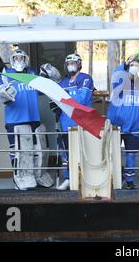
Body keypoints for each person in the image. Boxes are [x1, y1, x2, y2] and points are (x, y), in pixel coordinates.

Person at [0, 49, 43, 191]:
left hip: (33, 117)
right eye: (16, 58)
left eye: (21, 57)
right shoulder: (6, 74)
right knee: (17, 150)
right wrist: (4, 92)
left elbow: (42, 90)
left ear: (26, 59)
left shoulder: (32, 73)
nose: (19, 60)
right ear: (12, 59)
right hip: (15, 119)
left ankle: (32, 178)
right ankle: (17, 179)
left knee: (34, 150)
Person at [107, 54, 139, 190]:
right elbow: (116, 75)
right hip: (115, 126)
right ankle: (111, 177)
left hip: (134, 127)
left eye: (136, 65)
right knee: (111, 153)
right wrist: (125, 64)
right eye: (132, 64)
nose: (134, 67)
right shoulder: (120, 81)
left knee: (131, 154)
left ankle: (129, 180)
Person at [55, 53, 94, 190]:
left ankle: (84, 180)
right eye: (69, 62)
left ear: (79, 64)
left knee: (84, 152)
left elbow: (81, 99)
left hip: (82, 123)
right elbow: (56, 100)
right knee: (66, 153)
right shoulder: (62, 82)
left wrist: (63, 98)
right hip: (65, 123)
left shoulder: (86, 78)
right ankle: (69, 179)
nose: (71, 65)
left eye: (74, 62)